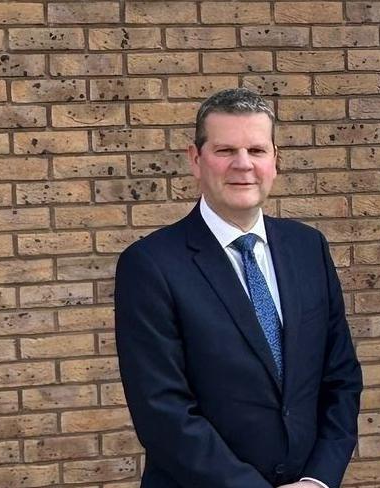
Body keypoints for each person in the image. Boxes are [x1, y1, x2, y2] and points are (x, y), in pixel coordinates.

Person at [115, 88, 362, 488]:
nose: (243, 165)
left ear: (275, 161)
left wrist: (318, 479)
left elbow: (341, 378)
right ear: (195, 160)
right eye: (225, 150)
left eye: (257, 150)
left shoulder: (308, 247)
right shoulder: (151, 265)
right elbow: (163, 411)